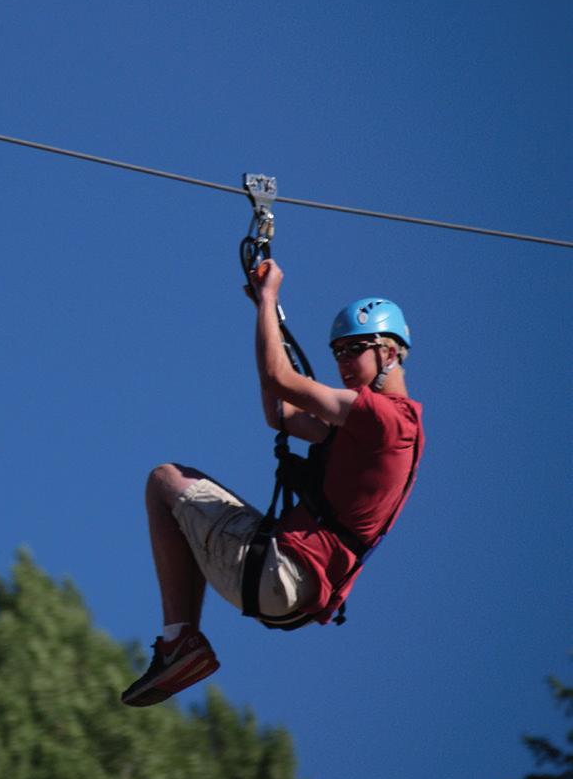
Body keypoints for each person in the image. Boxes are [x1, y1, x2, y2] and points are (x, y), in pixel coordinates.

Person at [120, 258, 424, 708]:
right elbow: (280, 412)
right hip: (289, 587)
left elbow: (278, 379)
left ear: (389, 353)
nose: (342, 363)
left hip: (281, 572)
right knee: (175, 493)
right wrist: (267, 314)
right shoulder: (372, 431)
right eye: (337, 352)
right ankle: (180, 641)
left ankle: (179, 641)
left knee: (164, 480)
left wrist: (268, 299)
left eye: (354, 350)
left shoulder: (387, 419)